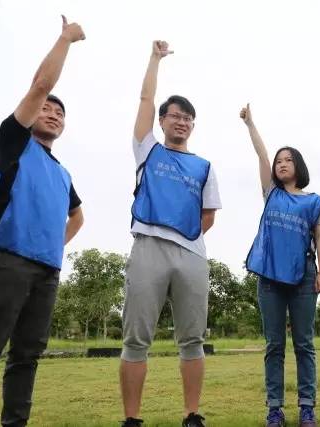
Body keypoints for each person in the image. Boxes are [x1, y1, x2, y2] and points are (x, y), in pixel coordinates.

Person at [0, 16, 85, 427]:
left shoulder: (62, 173)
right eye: (46, 108)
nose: (53, 112)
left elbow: (78, 216)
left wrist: (54, 244)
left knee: (26, 357)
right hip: (6, 260)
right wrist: (65, 38)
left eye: (60, 112)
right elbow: (40, 85)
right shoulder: (13, 144)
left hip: (47, 271)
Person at [119, 41, 221, 427]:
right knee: (135, 339)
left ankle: (192, 414)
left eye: (188, 118)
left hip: (192, 254)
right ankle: (132, 418)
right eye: (175, 116)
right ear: (162, 121)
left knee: (192, 339)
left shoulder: (204, 166)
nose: (181, 122)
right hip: (148, 246)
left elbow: (208, 215)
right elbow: (146, 97)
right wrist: (155, 59)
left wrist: (187, 239)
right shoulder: (147, 150)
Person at [240, 103, 320, 427]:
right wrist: (251, 124)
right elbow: (261, 157)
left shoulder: (313, 201)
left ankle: (307, 407)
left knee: (304, 344)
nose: (281, 164)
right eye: (279, 161)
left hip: (305, 277)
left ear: (299, 166)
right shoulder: (271, 195)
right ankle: (274, 409)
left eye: (287, 159)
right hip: (269, 278)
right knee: (274, 345)